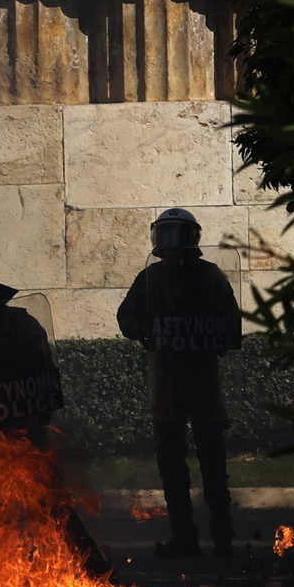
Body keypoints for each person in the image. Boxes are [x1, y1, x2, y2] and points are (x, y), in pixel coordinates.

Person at [0, 261, 110, 574]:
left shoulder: (22, 327)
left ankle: (92, 567)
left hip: (26, 433)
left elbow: (38, 380)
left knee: (54, 503)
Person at [117, 206, 243, 559]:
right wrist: (146, 330)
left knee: (207, 465)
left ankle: (218, 537)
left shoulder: (205, 275)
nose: (171, 244)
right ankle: (194, 538)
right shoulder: (153, 278)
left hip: (194, 384)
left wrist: (208, 337)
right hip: (174, 385)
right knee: (178, 466)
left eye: (177, 235)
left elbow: (231, 327)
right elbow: (126, 317)